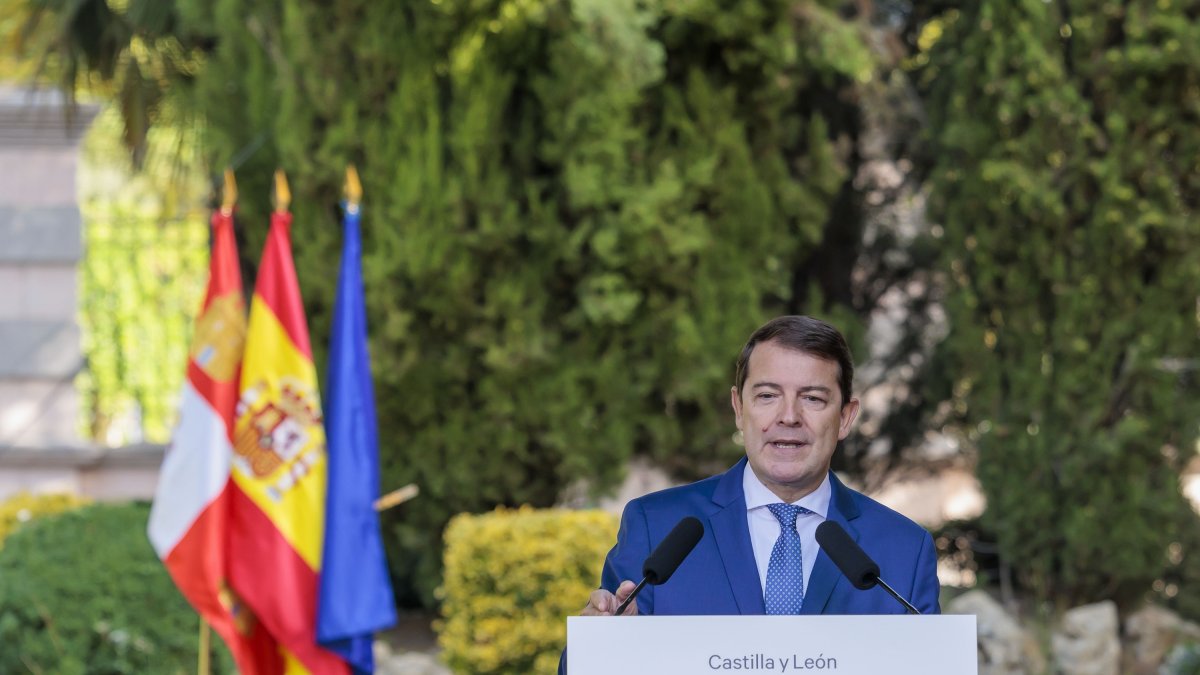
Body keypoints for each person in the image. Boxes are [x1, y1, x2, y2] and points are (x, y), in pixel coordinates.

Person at [559, 316, 939, 672]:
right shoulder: (656, 528)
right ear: (739, 409)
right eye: (768, 395)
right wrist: (594, 647)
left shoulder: (905, 550)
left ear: (845, 417)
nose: (788, 416)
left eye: (813, 399)